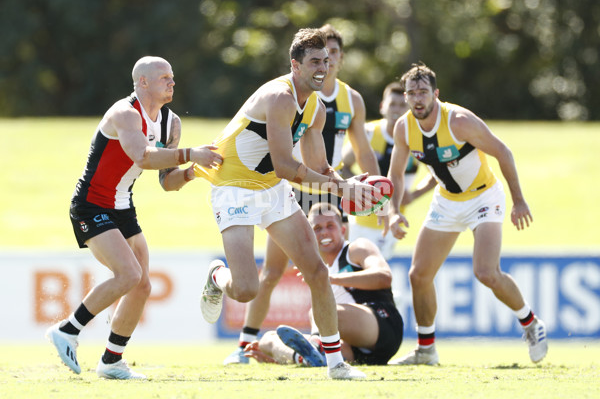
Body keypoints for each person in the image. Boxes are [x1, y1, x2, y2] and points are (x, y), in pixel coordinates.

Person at [196, 28, 376, 379]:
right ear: (295, 65)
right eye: (313, 62)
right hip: (234, 187)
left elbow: (321, 168)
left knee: (318, 272)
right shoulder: (280, 97)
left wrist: (349, 184)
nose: (322, 68)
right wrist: (342, 190)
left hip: (272, 189)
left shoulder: (317, 108)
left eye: (326, 61)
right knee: (247, 288)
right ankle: (218, 276)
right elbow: (286, 166)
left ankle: (336, 365)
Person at [45, 56, 223, 379]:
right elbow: (143, 155)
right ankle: (67, 330)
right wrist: (191, 154)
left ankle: (111, 361)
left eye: (172, 77)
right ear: (143, 82)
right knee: (128, 273)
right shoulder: (124, 113)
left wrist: (192, 172)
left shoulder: (172, 123)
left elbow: (167, 181)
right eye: (164, 77)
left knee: (141, 285)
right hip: (91, 204)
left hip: (122, 206)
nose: (172, 82)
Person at [384, 63, 548, 365]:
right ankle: (426, 351)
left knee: (486, 272)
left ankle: (531, 324)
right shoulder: (404, 127)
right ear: (406, 97)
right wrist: (393, 212)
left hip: (484, 196)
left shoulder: (458, 120)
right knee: (418, 275)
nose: (417, 99)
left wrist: (519, 201)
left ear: (436, 94)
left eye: (423, 92)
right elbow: (395, 175)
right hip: (447, 202)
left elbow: (503, 152)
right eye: (411, 93)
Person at [243, 202, 404, 366]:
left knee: (321, 312)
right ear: (309, 235)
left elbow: (383, 276)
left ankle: (315, 345)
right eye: (317, 228)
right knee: (267, 340)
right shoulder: (317, 267)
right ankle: (301, 357)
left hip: (384, 327)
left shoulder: (356, 248)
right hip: (351, 348)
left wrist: (331, 278)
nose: (324, 232)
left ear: (342, 230)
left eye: (330, 226)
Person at [341, 81, 436, 259]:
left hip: (393, 219)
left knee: (377, 270)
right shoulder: (369, 133)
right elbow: (341, 166)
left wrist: (413, 195)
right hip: (360, 218)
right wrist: (363, 187)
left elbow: (437, 175)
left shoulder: (417, 137)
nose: (396, 109)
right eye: (392, 104)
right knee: (353, 266)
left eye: (402, 105)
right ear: (382, 106)